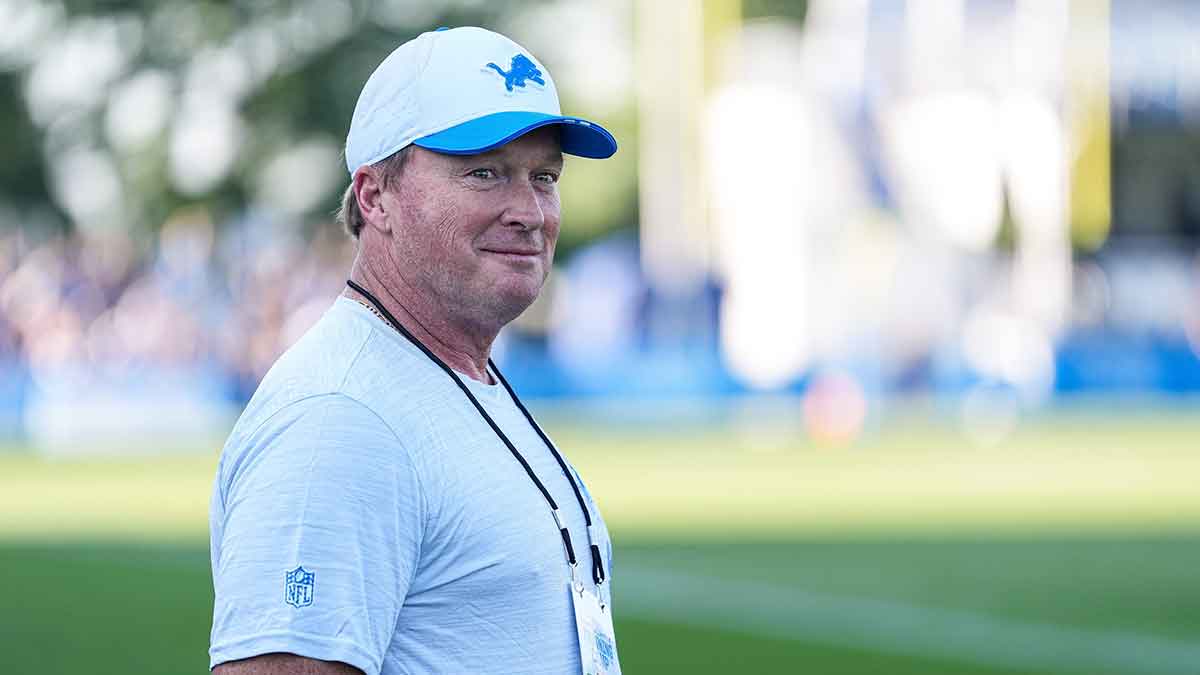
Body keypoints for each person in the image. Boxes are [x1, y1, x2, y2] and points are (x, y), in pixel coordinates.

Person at [208, 26, 621, 674]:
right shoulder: (339, 419)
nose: (530, 211)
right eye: (484, 173)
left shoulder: (454, 372)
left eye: (543, 176)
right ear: (376, 197)